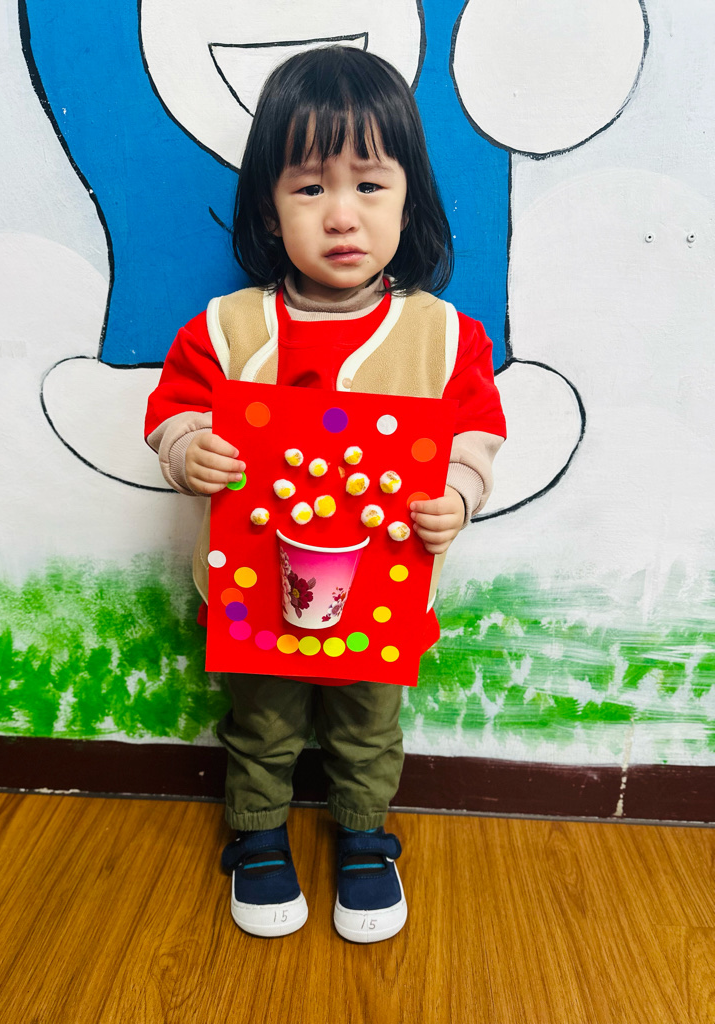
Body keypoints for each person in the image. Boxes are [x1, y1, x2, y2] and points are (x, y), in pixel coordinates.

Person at [145, 46, 506, 943]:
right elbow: (173, 409)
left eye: (370, 185)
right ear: (270, 210)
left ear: (409, 201)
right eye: (309, 188)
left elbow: (476, 435)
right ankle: (257, 833)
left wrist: (458, 496)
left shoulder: (445, 336)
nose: (342, 214)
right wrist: (187, 449)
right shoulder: (228, 328)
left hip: (382, 592)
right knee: (262, 721)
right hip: (255, 591)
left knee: (367, 725)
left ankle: (364, 836)